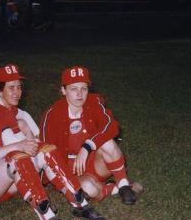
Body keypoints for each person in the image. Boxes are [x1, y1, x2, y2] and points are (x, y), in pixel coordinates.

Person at [0, 67, 105, 220]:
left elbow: (12, 140)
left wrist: (32, 146)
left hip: (8, 182)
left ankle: (79, 202)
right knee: (17, 157)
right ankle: (47, 216)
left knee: (45, 150)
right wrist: (17, 147)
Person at [41, 66, 140, 205]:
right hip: (71, 170)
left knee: (108, 142)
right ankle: (113, 189)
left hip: (94, 160)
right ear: (63, 90)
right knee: (88, 189)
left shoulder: (94, 102)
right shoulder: (52, 115)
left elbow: (111, 125)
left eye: (84, 88)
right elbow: (47, 153)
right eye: (74, 89)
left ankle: (123, 185)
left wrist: (87, 146)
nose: (80, 94)